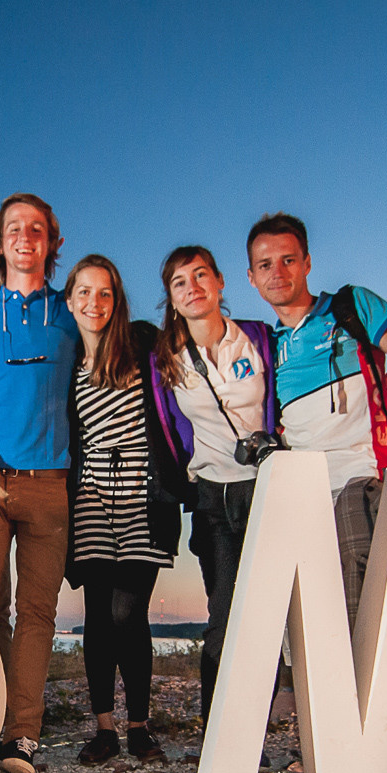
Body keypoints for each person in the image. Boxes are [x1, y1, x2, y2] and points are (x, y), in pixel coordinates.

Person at [246, 212, 387, 627]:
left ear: (307, 262)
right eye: (265, 265)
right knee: (302, 626)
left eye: (289, 260)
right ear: (251, 277)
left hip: (362, 482)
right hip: (302, 497)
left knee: (359, 619)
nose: (278, 273)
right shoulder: (264, 347)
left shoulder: (350, 308)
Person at [0, 194, 81, 773]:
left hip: (51, 482)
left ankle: (22, 734)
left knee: (37, 611)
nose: (25, 237)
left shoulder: (72, 310)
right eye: (13, 230)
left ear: (53, 243)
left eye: (37, 229)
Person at [59, 255, 187, 765]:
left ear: (117, 300)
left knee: (127, 612)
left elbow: (189, 353)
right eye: (84, 293)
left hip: (143, 495)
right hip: (89, 498)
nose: (95, 303)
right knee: (96, 616)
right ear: (69, 301)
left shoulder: (141, 342)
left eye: (105, 292)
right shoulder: (65, 361)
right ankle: (105, 728)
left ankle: (140, 724)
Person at [148, 246, 280, 724]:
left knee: (269, 616)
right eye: (180, 282)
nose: (193, 287)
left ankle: (259, 730)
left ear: (221, 282)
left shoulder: (260, 339)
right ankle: (219, 732)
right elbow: (167, 430)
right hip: (212, 498)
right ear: (172, 298)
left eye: (200, 275)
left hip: (267, 491)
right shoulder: (166, 360)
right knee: (224, 617)